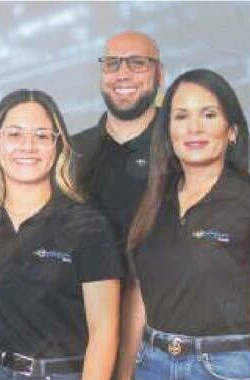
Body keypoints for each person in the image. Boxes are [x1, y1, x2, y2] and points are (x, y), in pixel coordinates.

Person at [118, 69, 250, 380]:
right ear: (168, 131)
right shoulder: (153, 203)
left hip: (225, 379)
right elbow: (140, 297)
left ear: (232, 131)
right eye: (181, 116)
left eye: (208, 115)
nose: (194, 128)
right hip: (151, 377)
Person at [0, 89, 122, 380]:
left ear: (58, 146)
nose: (28, 146)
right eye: (15, 134)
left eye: (42, 136)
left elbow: (104, 330)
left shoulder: (89, 226)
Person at [72, 30, 163, 248]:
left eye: (137, 63)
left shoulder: (184, 144)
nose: (122, 74)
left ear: (160, 74)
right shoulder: (71, 152)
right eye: (112, 64)